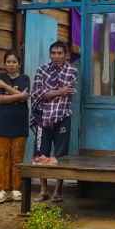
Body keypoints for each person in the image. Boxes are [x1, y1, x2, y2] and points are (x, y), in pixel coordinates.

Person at [28, 40, 78, 203]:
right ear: (50, 54)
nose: (56, 56)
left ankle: (58, 191)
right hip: (42, 117)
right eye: (53, 53)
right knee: (40, 154)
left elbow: (67, 92)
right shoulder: (42, 70)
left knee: (60, 155)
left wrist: (51, 92)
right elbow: (37, 94)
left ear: (66, 55)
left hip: (62, 115)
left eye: (60, 53)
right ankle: (43, 190)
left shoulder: (71, 70)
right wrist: (59, 91)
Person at [0, 50, 30, 203]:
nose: (11, 65)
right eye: (8, 62)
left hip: (20, 124)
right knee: (1, 157)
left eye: (14, 62)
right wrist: (19, 96)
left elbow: (25, 97)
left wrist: (6, 87)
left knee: (17, 157)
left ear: (19, 64)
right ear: (4, 64)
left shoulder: (24, 78)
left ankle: (15, 189)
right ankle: (1, 189)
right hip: (3, 123)